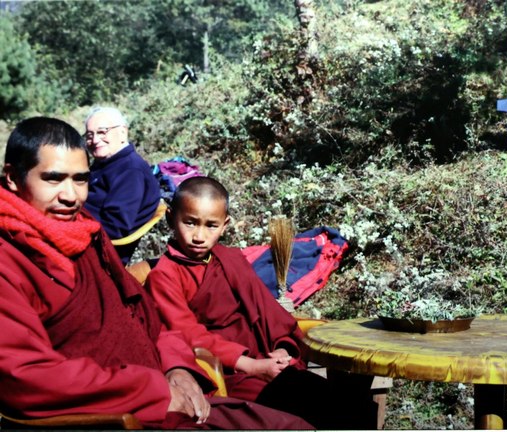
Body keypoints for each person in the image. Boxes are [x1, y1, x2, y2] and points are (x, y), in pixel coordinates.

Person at [0, 117, 312, 430]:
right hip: (112, 415)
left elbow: (144, 315)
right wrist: (153, 391)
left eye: (80, 180)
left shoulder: (85, 235)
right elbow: (24, 376)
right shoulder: (10, 261)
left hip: (163, 394)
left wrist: (176, 367)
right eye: (54, 179)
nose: (71, 195)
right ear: (13, 177)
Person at [146, 176, 378, 429]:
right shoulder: (165, 275)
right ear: (171, 218)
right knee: (307, 414)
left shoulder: (230, 259)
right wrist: (251, 365)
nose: (199, 236)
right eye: (190, 223)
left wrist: (282, 349)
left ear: (225, 226)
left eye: (210, 226)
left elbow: (268, 311)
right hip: (228, 372)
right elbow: (188, 334)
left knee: (350, 404)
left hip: (266, 360)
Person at [83, 106, 161, 264]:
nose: (95, 140)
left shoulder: (130, 171)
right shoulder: (107, 162)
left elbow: (114, 227)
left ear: (122, 133)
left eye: (102, 132)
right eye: (90, 135)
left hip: (97, 253)